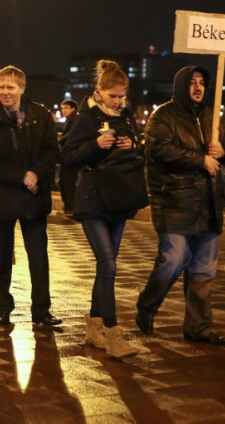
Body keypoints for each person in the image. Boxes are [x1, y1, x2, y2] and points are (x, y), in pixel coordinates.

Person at [135, 66, 225, 345]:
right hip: (175, 201)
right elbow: (158, 149)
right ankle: (147, 305)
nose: (198, 87)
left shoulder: (211, 117)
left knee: (204, 270)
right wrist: (199, 159)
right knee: (173, 259)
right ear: (181, 85)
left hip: (208, 203)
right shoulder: (163, 116)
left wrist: (224, 153)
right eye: (192, 82)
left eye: (202, 82)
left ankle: (198, 327)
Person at [61, 60, 142, 359]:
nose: (117, 101)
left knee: (105, 267)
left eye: (121, 96)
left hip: (118, 199)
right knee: (108, 266)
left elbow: (142, 150)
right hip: (93, 200)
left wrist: (132, 145)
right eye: (112, 95)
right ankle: (113, 335)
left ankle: (94, 326)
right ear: (100, 90)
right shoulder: (85, 118)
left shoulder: (127, 118)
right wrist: (96, 144)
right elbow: (67, 157)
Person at [0, 65, 62, 327]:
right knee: (1, 257)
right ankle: (3, 306)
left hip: (33, 198)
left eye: (10, 87)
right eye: (1, 87)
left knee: (38, 257)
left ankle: (41, 310)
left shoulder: (41, 115)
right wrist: (23, 176)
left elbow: (51, 151)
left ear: (22, 88)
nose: (5, 92)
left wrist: (36, 173)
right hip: (2, 198)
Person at [57, 99, 79, 216]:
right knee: (64, 181)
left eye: (66, 108)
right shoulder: (70, 120)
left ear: (73, 109)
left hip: (72, 155)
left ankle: (71, 208)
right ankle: (68, 208)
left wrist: (60, 140)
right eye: (62, 108)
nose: (63, 110)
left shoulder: (76, 120)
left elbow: (72, 135)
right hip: (68, 155)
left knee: (68, 181)